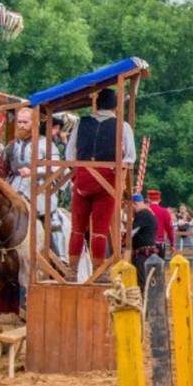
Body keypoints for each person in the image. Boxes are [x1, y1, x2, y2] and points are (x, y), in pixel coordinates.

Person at [65, 88, 137, 281]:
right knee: (100, 230)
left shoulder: (81, 123)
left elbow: (70, 155)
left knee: (77, 228)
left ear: (97, 104)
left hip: (82, 180)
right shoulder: (122, 126)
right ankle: (100, 272)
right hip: (107, 183)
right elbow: (130, 157)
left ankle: (71, 271)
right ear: (115, 105)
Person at [0, 108, 63, 256]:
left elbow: (57, 167)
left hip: (40, 188)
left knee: (52, 220)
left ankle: (60, 258)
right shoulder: (12, 146)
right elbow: (0, 169)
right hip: (13, 188)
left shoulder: (46, 144)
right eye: (19, 122)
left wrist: (33, 171)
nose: (21, 125)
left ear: (34, 123)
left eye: (25, 122)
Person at [130, 194, 158, 291]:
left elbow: (132, 233)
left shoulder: (142, 214)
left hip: (143, 254)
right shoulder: (148, 214)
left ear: (134, 204)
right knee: (150, 280)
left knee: (142, 281)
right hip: (149, 252)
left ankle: (144, 302)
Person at [146, 189, 175, 259]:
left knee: (146, 267)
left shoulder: (145, 211)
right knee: (159, 266)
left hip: (147, 244)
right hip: (159, 243)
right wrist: (172, 244)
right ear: (159, 200)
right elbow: (170, 229)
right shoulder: (164, 212)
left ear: (148, 200)